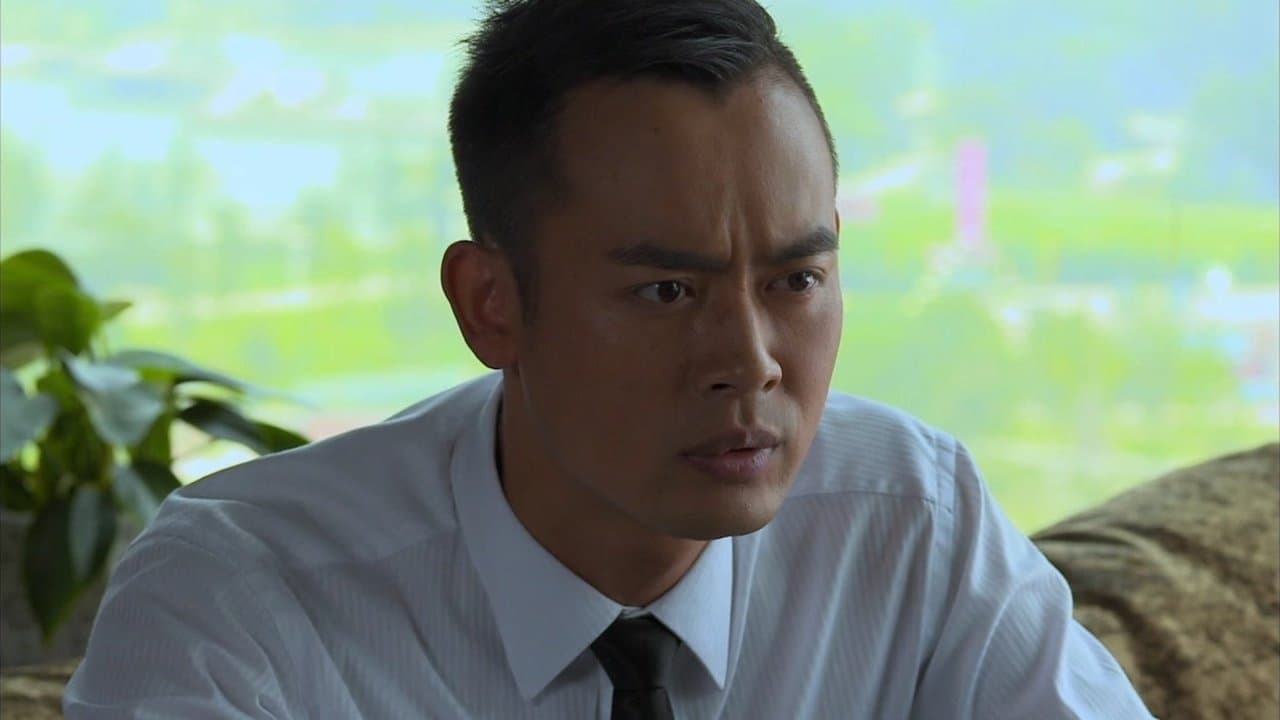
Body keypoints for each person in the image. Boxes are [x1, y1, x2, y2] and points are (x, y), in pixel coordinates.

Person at [65, 1, 1154, 718]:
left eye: (795, 280)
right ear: (491, 305)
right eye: (666, 292)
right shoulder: (241, 603)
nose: (749, 363)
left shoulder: (912, 523)